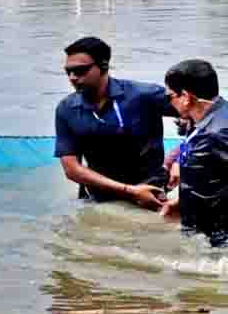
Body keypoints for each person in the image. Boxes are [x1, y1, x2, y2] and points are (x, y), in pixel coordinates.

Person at [54, 37, 177, 210]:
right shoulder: (67, 109)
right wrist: (129, 191)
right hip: (101, 199)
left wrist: (179, 159)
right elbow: (72, 169)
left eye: (80, 71)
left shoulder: (143, 96)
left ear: (103, 66)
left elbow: (205, 113)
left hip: (151, 195)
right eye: (68, 72)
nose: (73, 77)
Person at [160, 60, 228, 246]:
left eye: (170, 97)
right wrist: (181, 200)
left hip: (215, 237)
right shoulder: (214, 114)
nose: (169, 103)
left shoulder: (212, 136)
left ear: (186, 97)